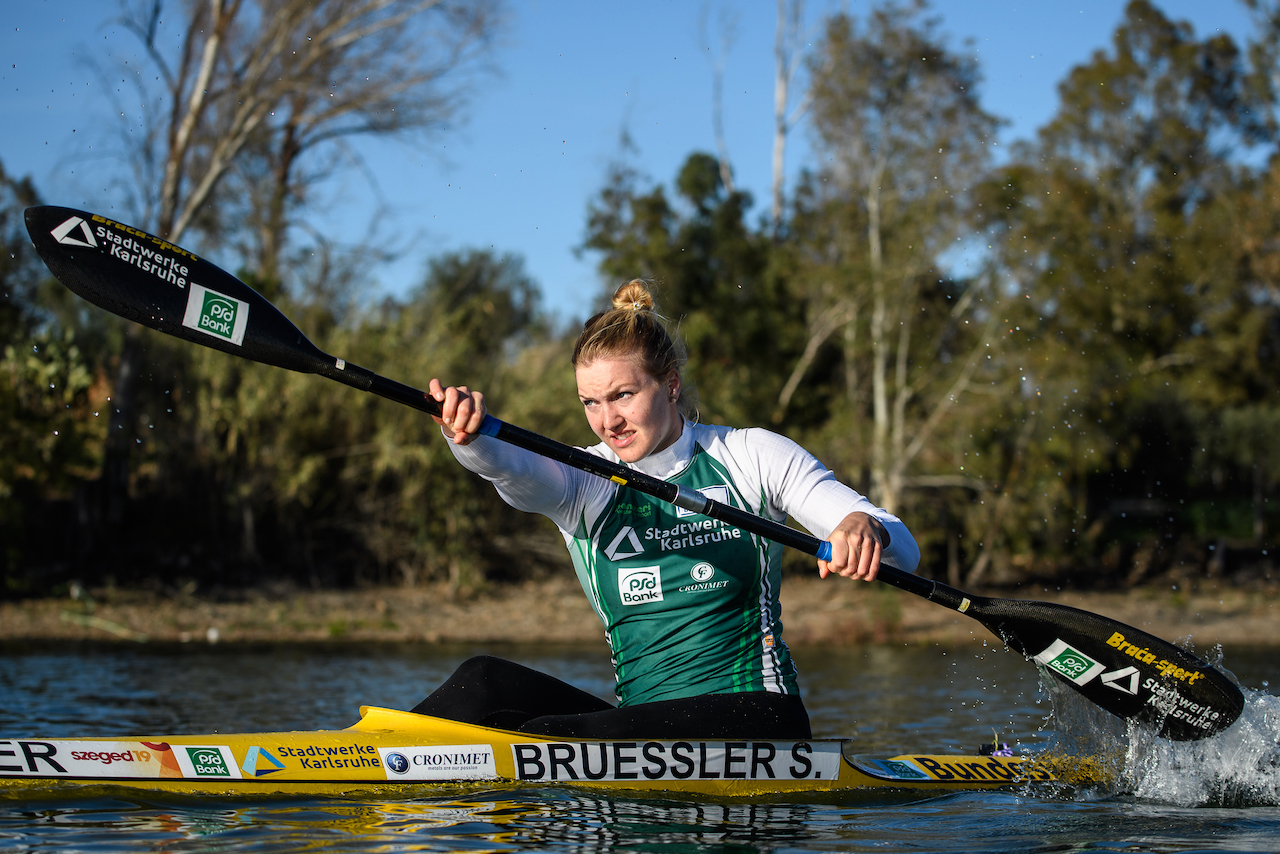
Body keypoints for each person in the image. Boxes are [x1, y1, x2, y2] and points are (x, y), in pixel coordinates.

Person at [411, 280, 919, 739]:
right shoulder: (583, 479)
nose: (608, 420)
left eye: (623, 395)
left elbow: (903, 551)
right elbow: (512, 470)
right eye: (590, 403)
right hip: (642, 724)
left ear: (671, 384)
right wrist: (467, 437)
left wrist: (864, 528)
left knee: (546, 733)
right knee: (484, 682)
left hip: (760, 717)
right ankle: (368, 757)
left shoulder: (751, 455)